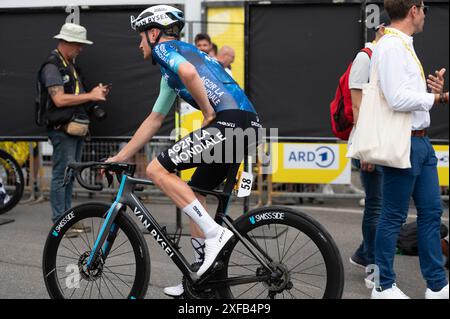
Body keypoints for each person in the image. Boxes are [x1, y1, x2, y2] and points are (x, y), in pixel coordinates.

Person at [108, 5, 261, 298]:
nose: (139, 43)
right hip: (247, 124)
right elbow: (154, 120)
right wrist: (120, 157)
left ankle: (215, 236)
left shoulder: (165, 50)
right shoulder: (175, 66)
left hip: (230, 123)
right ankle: (199, 277)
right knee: (195, 194)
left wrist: (206, 111)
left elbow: (190, 73)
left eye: (141, 36)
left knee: (155, 169)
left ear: (154, 33)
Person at [370, 0, 449, 299]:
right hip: (403, 141)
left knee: (431, 213)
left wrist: (431, 94)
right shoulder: (391, 46)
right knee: (393, 217)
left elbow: (406, 98)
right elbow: (395, 99)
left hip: (419, 141)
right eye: (424, 8)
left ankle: (437, 285)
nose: (426, 14)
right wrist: (438, 100)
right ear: (414, 10)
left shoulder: (401, 44)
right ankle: (383, 286)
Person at [39, 23, 109, 233]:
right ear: (67, 42)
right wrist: (92, 96)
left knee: (69, 175)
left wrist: (93, 95)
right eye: (79, 44)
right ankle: (60, 222)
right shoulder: (52, 66)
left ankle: (67, 219)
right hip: (63, 130)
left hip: (75, 129)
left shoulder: (70, 66)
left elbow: (73, 96)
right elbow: (59, 99)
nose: (81, 49)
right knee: (62, 175)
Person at [348, 11, 391, 286]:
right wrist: (366, 149)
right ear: (383, 28)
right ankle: (372, 266)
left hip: (385, 142)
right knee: (376, 207)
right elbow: (357, 107)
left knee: (384, 207)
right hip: (369, 145)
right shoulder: (366, 57)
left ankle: (365, 253)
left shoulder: (387, 57)